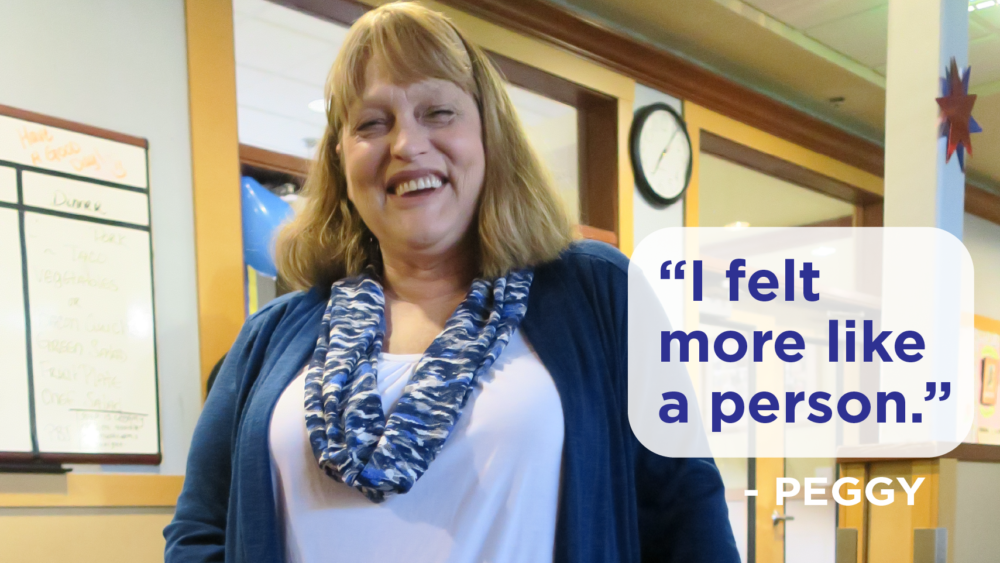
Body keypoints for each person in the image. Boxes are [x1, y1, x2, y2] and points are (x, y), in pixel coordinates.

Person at [164, 3, 738, 562]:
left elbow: (687, 513)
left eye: (438, 112)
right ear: (340, 158)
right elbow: (201, 531)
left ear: (490, 135)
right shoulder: (271, 337)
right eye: (371, 122)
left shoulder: (599, 293)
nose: (406, 145)